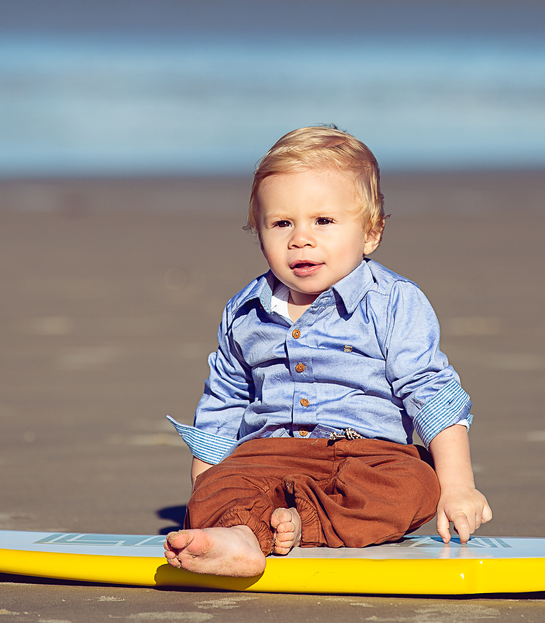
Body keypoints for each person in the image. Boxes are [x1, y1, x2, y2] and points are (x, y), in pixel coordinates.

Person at [164, 125, 491, 577]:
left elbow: (430, 391)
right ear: (259, 233)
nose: (301, 238)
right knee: (212, 489)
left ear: (370, 233)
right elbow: (225, 400)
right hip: (268, 455)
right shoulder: (245, 312)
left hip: (367, 457)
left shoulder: (393, 302)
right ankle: (239, 534)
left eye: (323, 221)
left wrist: (459, 486)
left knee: (417, 484)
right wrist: (208, 490)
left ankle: (297, 525)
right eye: (282, 223)